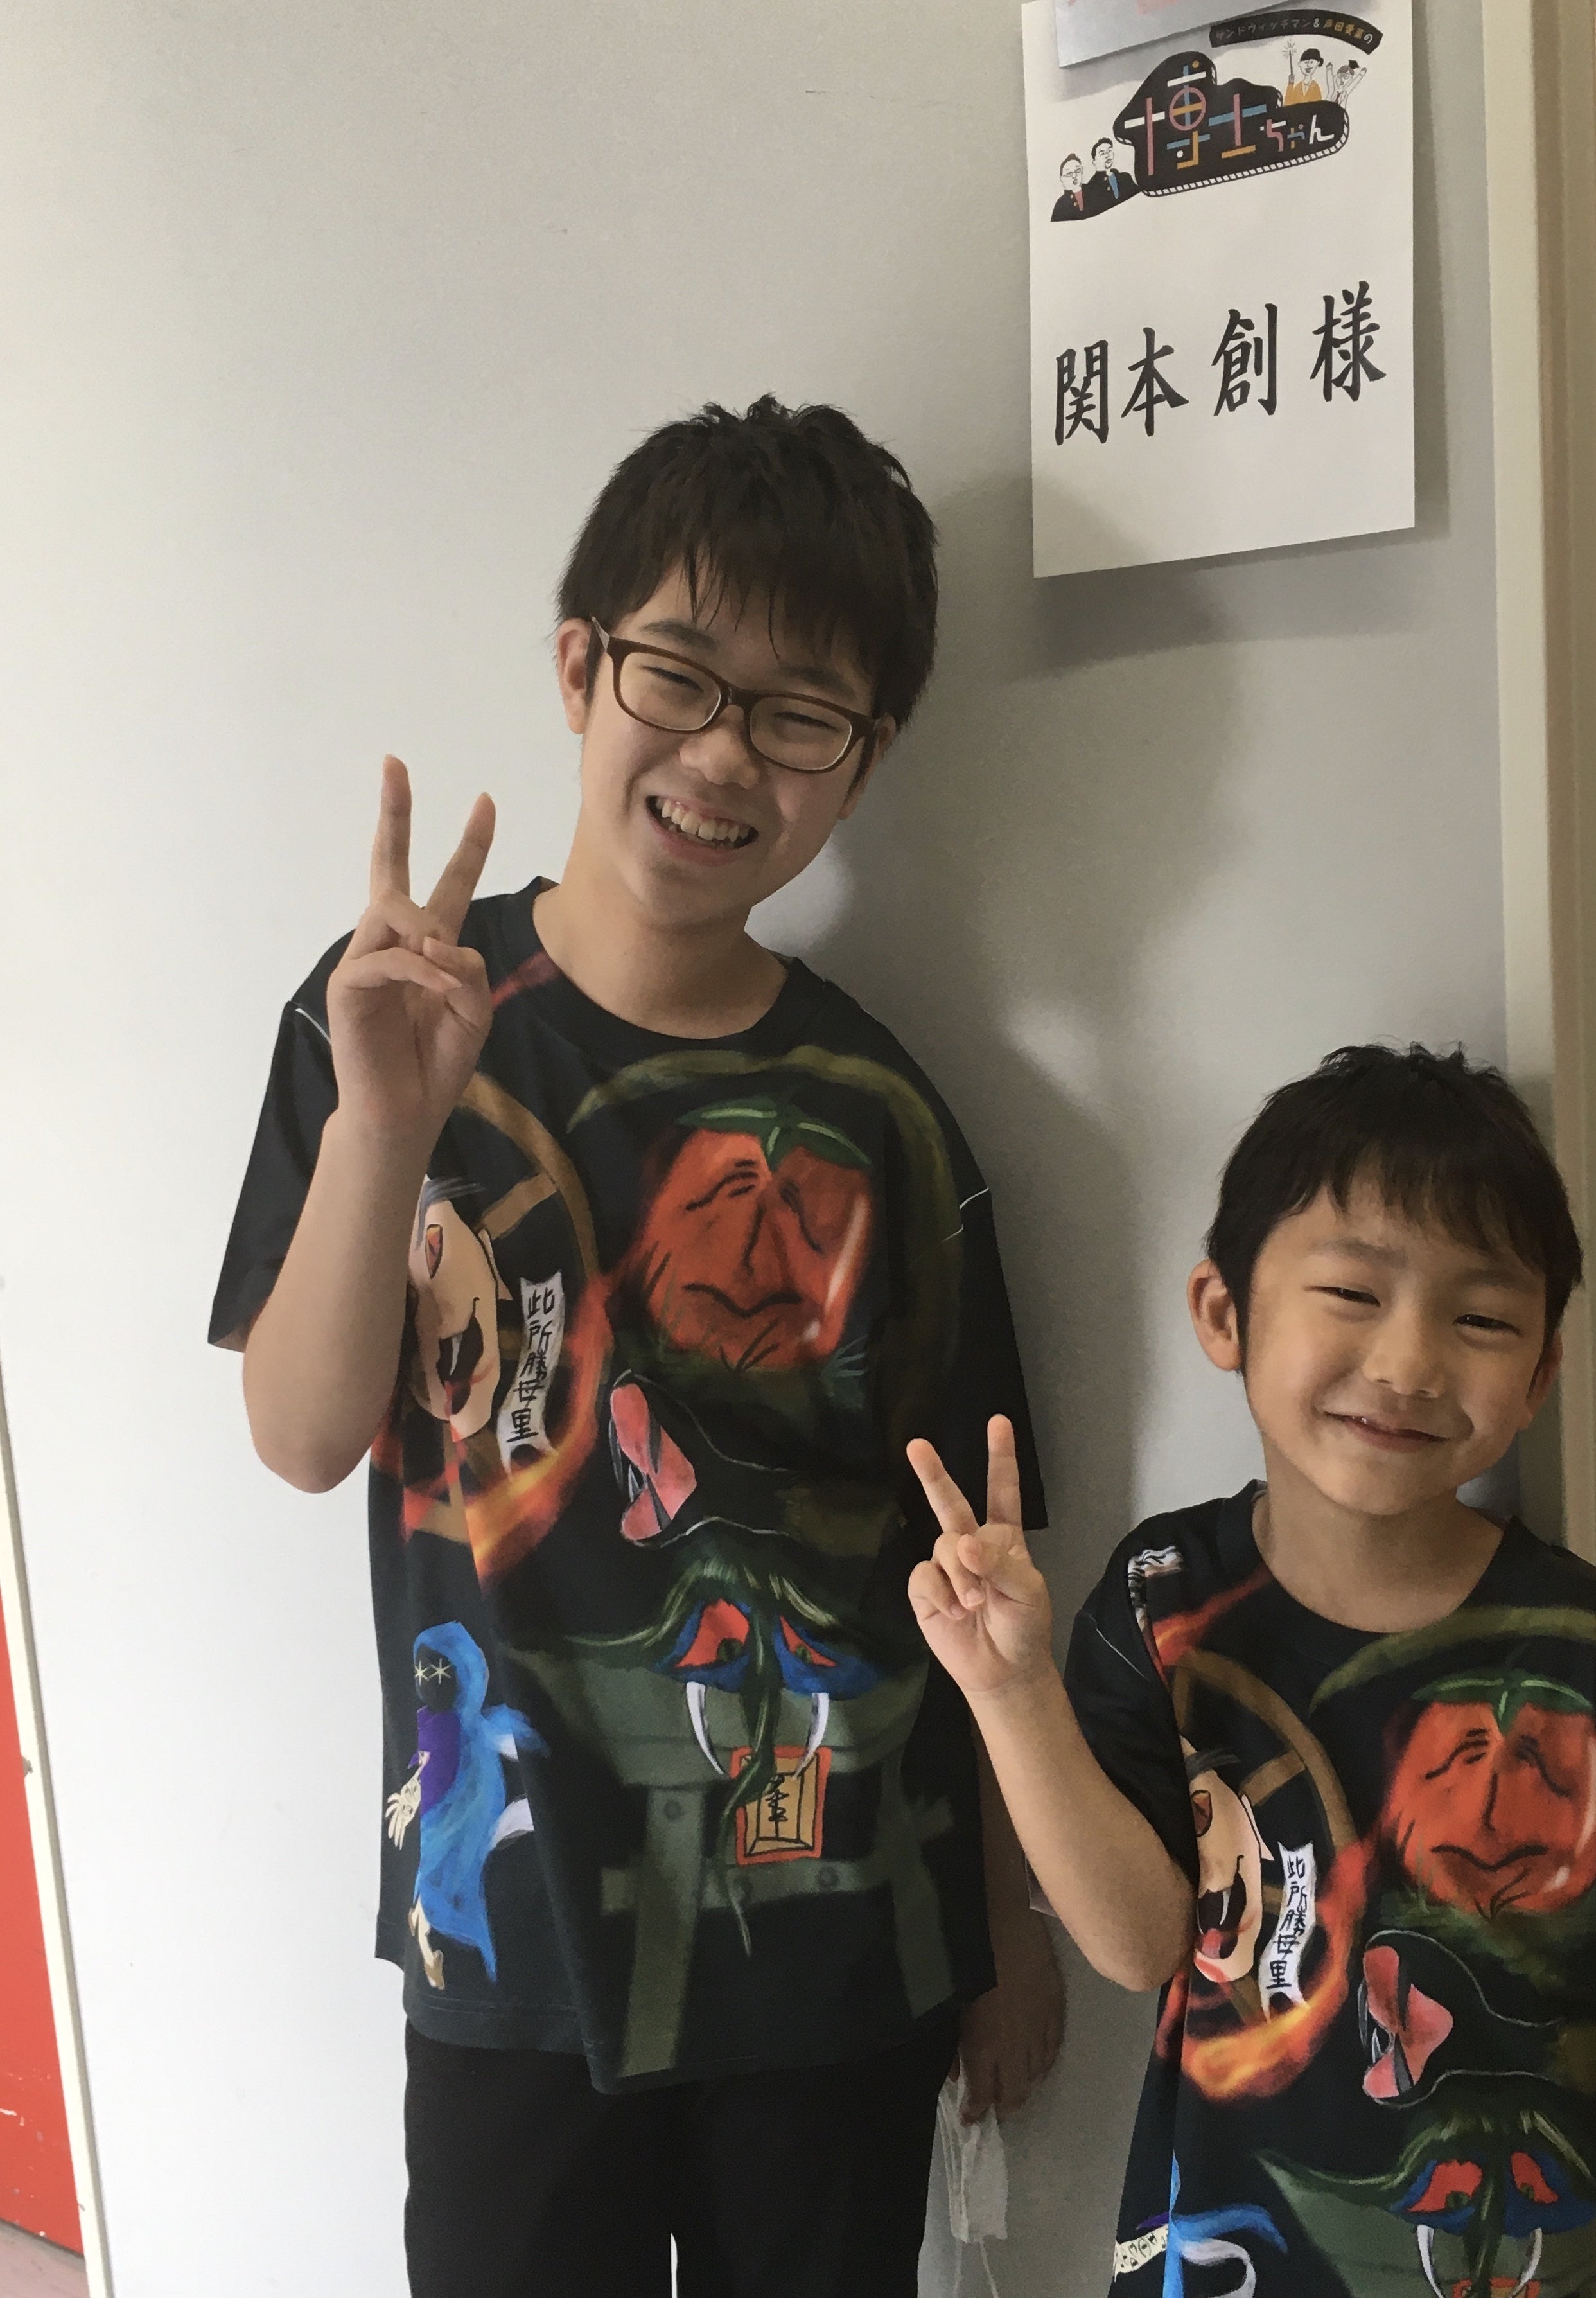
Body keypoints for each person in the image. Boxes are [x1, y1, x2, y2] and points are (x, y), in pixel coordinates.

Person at [210, 396, 1064, 2298]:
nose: (722, 750)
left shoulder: (882, 1111)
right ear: (578, 666)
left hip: (837, 1926)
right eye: (677, 675)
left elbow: (968, 1559)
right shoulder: (383, 1018)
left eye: (799, 713)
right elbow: (303, 1431)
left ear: (863, 759)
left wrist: (1002, 1922)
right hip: (507, 1919)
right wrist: (384, 1125)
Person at [908, 1043, 1596, 2297]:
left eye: (1479, 1317)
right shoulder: (1160, 1599)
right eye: (1352, 1293)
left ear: (1539, 1371)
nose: (1408, 1363)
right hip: (1228, 2254)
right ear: (1223, 1313)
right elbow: (1141, 1945)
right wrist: (1008, 1688)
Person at [1087, 137, 1137, 212]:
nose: (1108, 155)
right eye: (1102, 154)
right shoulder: (1091, 187)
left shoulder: (1125, 178)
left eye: (1110, 151)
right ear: (1094, 162)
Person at [1053, 150, 1091, 220]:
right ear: (1062, 179)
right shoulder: (1061, 204)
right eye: (1069, 174)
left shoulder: (1092, 191)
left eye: (1077, 171)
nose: (1074, 176)